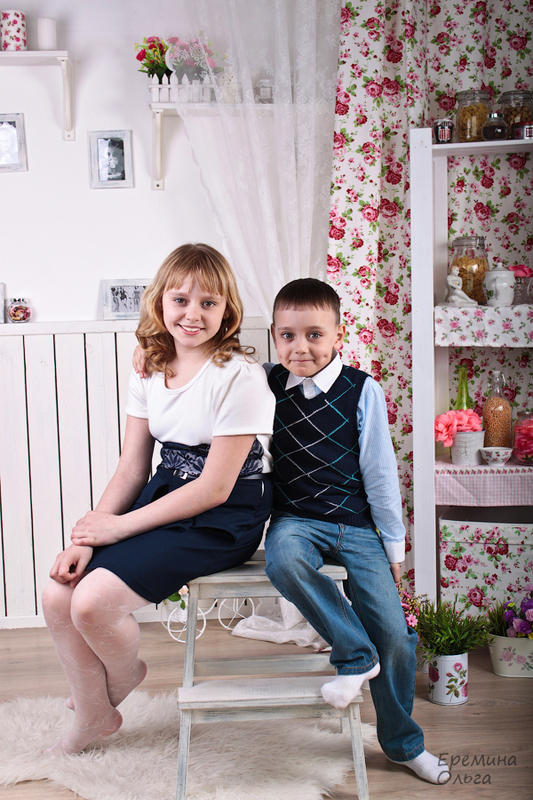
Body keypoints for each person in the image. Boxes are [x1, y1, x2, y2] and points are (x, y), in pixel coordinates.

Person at [42, 243, 275, 757]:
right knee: (58, 593)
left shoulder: (240, 377)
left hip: (225, 514)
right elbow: (132, 467)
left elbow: (214, 488)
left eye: (208, 303)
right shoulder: (150, 366)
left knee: (93, 603)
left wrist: (120, 528)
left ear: (227, 310)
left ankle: (116, 683)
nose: (193, 314)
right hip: (165, 492)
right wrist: (88, 535)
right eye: (181, 300)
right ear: (161, 302)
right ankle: (97, 710)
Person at [263, 278, 450, 786]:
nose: (300, 347)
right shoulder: (264, 383)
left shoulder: (361, 389)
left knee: (396, 636)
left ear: (339, 336)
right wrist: (155, 354)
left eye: (314, 335)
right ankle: (354, 654)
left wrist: (394, 545)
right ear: (274, 336)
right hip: (296, 521)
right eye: (287, 336)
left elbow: (380, 471)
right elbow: (208, 371)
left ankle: (404, 745)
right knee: (283, 559)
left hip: (357, 525)